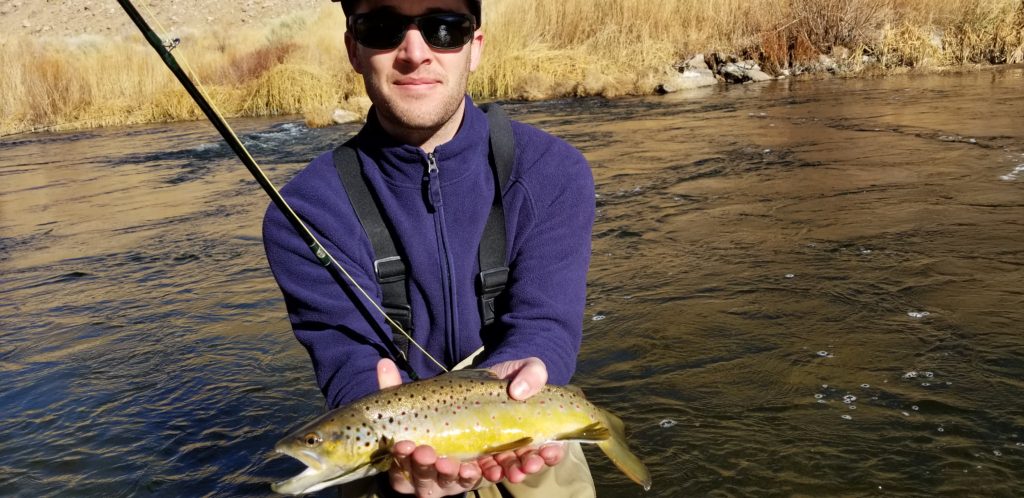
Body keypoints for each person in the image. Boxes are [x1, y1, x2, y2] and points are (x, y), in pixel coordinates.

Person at [262, 0, 596, 496]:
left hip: (526, 435)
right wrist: (376, 413)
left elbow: (545, 322)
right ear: (354, 49)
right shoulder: (304, 212)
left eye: (445, 28)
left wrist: (530, 363)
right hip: (389, 455)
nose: (415, 53)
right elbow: (348, 356)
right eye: (383, 27)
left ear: (474, 47)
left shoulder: (553, 171)